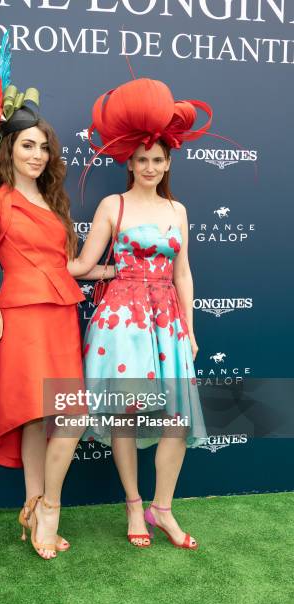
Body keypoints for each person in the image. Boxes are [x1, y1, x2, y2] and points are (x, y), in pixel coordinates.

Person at [0, 32, 111, 560]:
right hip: (20, 319)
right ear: (8, 147)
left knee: (58, 416)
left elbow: (67, 266)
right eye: (27, 144)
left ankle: (37, 507)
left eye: (44, 145)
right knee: (47, 416)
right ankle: (45, 509)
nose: (37, 153)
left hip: (60, 316)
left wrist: (107, 270)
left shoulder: (55, 205)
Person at [68, 78, 210, 550]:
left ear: (169, 162)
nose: (150, 166)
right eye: (142, 159)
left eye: (158, 160)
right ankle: (133, 504)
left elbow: (183, 273)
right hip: (122, 323)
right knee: (125, 416)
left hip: (167, 322)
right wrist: (43, 259)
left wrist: (189, 327)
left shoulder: (179, 209)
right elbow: (84, 267)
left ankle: (162, 508)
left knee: (177, 419)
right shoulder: (115, 205)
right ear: (129, 162)